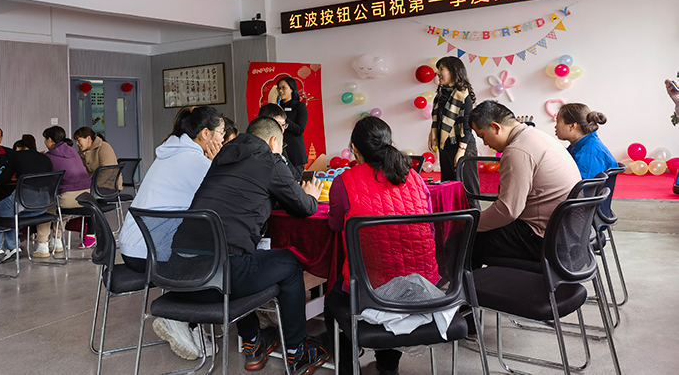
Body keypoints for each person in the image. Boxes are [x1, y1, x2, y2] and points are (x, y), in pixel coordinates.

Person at [172, 116, 327, 374]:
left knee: (242, 257)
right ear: (274, 141)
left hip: (179, 276)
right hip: (219, 279)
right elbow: (304, 206)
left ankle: (253, 341)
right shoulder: (270, 160)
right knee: (288, 263)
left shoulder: (221, 158)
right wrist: (310, 195)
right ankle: (297, 352)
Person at [324, 116, 437, 374]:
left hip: (369, 290)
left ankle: (347, 366)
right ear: (391, 144)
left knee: (332, 300)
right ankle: (388, 366)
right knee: (389, 272)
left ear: (355, 150)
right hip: (422, 287)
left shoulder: (345, 181)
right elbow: (429, 227)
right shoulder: (415, 178)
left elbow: (335, 224)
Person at [118, 106, 224, 361]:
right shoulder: (195, 161)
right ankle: (179, 316)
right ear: (206, 134)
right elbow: (226, 197)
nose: (223, 139)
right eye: (221, 132)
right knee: (216, 257)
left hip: (133, 247)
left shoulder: (170, 153)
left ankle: (186, 319)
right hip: (151, 253)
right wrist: (216, 164)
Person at [469, 100, 581, 267]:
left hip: (544, 239)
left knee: (462, 239)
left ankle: (468, 284)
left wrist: (471, 223)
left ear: (496, 127)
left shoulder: (517, 150)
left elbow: (508, 211)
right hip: (567, 235)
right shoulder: (537, 136)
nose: (485, 143)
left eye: (482, 136)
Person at [0, 139, 53, 264]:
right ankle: (13, 248)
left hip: (24, 203)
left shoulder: (16, 156)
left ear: (17, 149)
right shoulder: (45, 157)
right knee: (10, 213)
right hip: (44, 205)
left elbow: (3, 180)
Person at [429, 56, 480, 208]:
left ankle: (475, 219)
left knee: (468, 190)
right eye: (438, 69)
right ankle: (454, 220)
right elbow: (437, 120)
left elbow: (467, 126)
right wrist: (432, 136)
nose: (438, 73)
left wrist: (460, 152)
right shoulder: (440, 95)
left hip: (463, 147)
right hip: (446, 147)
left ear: (453, 71)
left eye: (441, 69)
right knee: (449, 188)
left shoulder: (464, 96)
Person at [34, 126, 91, 258]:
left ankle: (42, 246)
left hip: (68, 198)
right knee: (61, 209)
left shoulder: (49, 156)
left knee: (45, 208)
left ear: (50, 140)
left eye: (45, 140)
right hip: (86, 196)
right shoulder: (73, 151)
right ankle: (57, 241)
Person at [73, 126, 121, 249]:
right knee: (83, 197)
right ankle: (89, 230)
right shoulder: (82, 152)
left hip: (109, 186)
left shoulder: (104, 147)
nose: (77, 143)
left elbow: (108, 172)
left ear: (88, 138)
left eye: (79, 140)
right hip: (93, 186)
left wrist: (91, 187)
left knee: (91, 199)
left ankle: (91, 234)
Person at [555, 103, 618, 179]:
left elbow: (580, 184)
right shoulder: (580, 145)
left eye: (557, 122)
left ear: (572, 126)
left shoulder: (588, 152)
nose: (555, 126)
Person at [277, 75, 309, 178]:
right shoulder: (276, 107)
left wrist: (283, 117)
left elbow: (299, 129)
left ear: (291, 89)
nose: (280, 91)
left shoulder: (299, 106)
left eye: (283, 87)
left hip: (295, 152)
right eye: (279, 88)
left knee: (296, 181)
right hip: (280, 152)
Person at [259, 103, 300, 180]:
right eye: (278, 125)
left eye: (283, 125)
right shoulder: (259, 152)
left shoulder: (281, 146)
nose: (281, 129)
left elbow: (295, 176)